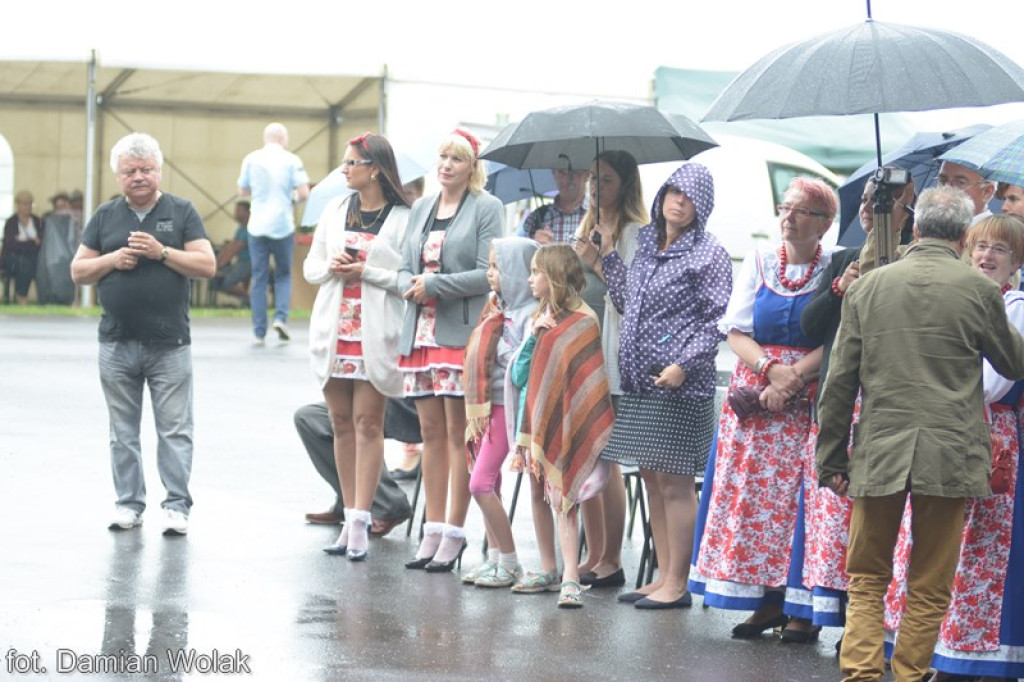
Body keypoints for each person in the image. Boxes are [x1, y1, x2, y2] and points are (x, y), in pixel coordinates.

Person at [816, 187, 1024, 682]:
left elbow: (839, 383)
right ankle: (910, 674)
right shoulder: (978, 291)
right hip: (949, 453)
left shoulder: (868, 288)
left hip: (880, 449)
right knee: (930, 583)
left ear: (916, 227)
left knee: (866, 577)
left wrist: (831, 459)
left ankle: (862, 674)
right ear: (963, 235)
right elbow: (1014, 362)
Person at [691, 177, 836, 642]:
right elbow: (734, 331)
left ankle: (801, 607)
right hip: (758, 396)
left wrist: (795, 379)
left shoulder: (836, 267)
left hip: (807, 398)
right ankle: (767, 600)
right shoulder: (757, 262)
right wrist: (772, 369)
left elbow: (839, 337)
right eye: (784, 207)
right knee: (756, 502)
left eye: (800, 211)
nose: (787, 216)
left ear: (825, 223)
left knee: (799, 503)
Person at [880, 214, 1024, 682]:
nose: (986, 256)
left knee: (976, 547)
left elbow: (991, 382)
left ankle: (962, 654)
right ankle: (921, 648)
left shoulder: (1015, 306)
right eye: (979, 246)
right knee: (930, 540)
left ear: (1015, 261)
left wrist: (933, 375)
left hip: (987, 435)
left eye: (999, 250)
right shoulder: (961, 295)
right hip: (942, 427)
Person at [599, 162, 732, 609]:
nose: (679, 200)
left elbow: (717, 320)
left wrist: (684, 363)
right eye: (673, 191)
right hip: (640, 380)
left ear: (703, 205)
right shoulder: (648, 245)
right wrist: (607, 257)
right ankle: (661, 575)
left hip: (677, 384)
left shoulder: (708, 253)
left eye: (689, 195)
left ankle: (679, 582)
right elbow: (627, 302)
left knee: (675, 484)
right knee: (653, 480)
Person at [71, 132, 216, 535]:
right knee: (122, 432)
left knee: (174, 428)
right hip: (116, 341)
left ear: (159, 171)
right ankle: (128, 504)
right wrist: (113, 259)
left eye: (146, 169)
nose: (139, 176)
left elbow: (206, 265)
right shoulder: (105, 216)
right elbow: (78, 271)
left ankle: (176, 506)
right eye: (130, 171)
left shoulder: (181, 211)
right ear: (118, 176)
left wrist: (162, 252)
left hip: (170, 343)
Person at [796, 172, 916, 643]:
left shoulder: (909, 261)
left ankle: (879, 626)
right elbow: (809, 326)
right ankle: (844, 616)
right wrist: (839, 288)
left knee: (879, 522)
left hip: (888, 407)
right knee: (835, 518)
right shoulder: (844, 259)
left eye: (880, 201)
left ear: (905, 212)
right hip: (843, 401)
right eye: (864, 200)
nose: (869, 208)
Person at [396, 129, 502, 572]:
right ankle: (433, 526)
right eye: (442, 157)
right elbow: (404, 266)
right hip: (419, 331)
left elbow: (485, 273)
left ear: (471, 167)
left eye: (456, 159)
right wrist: (408, 284)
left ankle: (455, 532)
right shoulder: (421, 207)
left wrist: (433, 285)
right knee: (430, 435)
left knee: (460, 436)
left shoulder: (487, 208)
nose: (446, 165)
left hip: (459, 331)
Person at [304, 132, 412, 561]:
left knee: (369, 424)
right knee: (340, 423)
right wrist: (332, 267)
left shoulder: (403, 217)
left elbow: (405, 276)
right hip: (335, 327)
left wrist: (367, 271)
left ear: (375, 169)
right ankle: (348, 518)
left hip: (375, 330)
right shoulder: (334, 210)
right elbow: (311, 266)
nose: (345, 170)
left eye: (352, 163)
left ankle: (363, 520)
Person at [510, 243, 614, 607]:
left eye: (537, 272)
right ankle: (548, 567)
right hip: (534, 420)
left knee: (563, 496)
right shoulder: (540, 317)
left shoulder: (584, 321)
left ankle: (571, 574)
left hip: (569, 419)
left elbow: (587, 379)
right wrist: (535, 337)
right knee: (538, 493)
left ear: (554, 277)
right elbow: (520, 374)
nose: (530, 278)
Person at [572, 149, 648, 589]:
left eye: (607, 181)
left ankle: (612, 557)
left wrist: (599, 259)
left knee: (608, 457)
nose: (598, 188)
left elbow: (632, 302)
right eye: (594, 179)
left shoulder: (636, 234)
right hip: (583, 353)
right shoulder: (587, 228)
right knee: (586, 455)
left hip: (614, 353)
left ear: (626, 186)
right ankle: (591, 551)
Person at [460, 237, 538, 588]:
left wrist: (501, 345)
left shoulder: (529, 315)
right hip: (488, 404)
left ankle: (510, 561)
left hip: (508, 407)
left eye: (497, 267)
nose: (490, 274)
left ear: (518, 273)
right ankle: (494, 558)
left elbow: (522, 362)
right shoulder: (497, 308)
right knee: (490, 482)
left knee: (479, 483)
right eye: (490, 266)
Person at [294, 402, 413, 537]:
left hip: (418, 403)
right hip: (383, 396)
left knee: (358, 417)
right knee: (310, 417)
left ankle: (385, 505)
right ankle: (352, 504)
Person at [238, 122, 310, 344]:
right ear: (282, 139)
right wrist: (292, 198)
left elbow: (242, 190)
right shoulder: (292, 160)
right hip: (282, 225)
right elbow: (304, 192)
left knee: (258, 276)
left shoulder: (250, 158)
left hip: (257, 225)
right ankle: (280, 318)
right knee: (283, 274)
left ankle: (259, 329)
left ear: (265, 138)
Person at [519, 166, 589, 244]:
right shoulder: (535, 219)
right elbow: (522, 254)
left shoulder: (599, 216)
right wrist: (535, 246)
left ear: (587, 175)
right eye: (562, 171)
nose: (569, 178)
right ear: (554, 174)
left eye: (575, 171)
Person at [1, 190, 44, 304]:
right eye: (24, 204)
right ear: (18, 205)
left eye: (29, 204)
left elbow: (41, 243)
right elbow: (11, 245)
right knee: (23, 264)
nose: (27, 207)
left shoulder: (37, 221)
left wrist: (23, 243)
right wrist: (31, 243)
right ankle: (22, 297)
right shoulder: (11, 222)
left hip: (34, 258)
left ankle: (27, 297)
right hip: (13, 259)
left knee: (33, 264)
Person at [210, 201, 252, 305]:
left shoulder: (250, 228)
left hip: (251, 263)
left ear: (247, 212)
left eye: (239, 210)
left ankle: (249, 300)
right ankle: (246, 299)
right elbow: (230, 247)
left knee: (226, 282)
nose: (235, 213)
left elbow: (235, 249)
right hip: (241, 262)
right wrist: (217, 262)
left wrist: (219, 265)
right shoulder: (240, 229)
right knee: (216, 282)